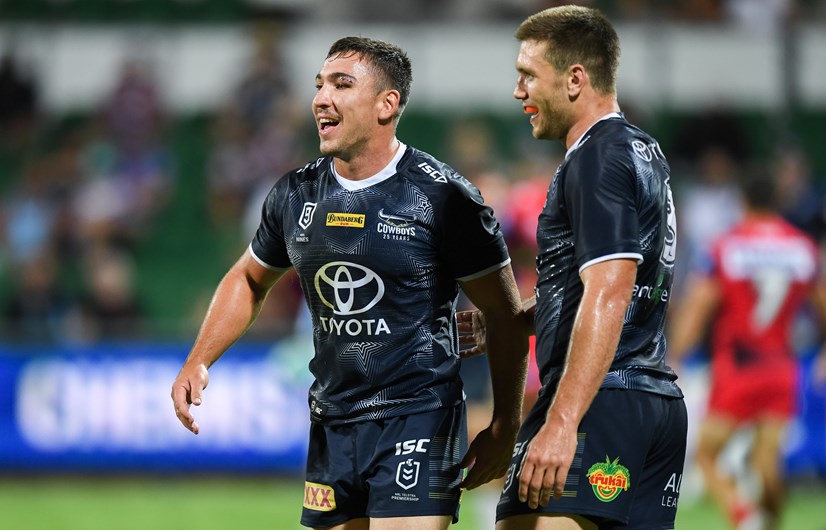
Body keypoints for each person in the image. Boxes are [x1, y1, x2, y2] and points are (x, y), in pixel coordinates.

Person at [170, 36, 530, 530]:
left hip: (418, 416)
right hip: (332, 423)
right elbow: (249, 279)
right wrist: (199, 358)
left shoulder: (444, 198)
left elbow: (505, 315)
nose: (321, 98)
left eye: (341, 85)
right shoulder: (295, 194)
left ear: (387, 104)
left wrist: (506, 425)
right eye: (319, 85)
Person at [457, 6, 686, 529]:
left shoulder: (596, 158)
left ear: (575, 79)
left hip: (599, 404)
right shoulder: (642, 151)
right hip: (648, 399)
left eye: (528, 76)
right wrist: (517, 321)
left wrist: (562, 421)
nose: (518, 91)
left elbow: (611, 288)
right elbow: (602, 282)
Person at [668, 168, 826, 530]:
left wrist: (678, 352)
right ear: (776, 201)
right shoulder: (802, 247)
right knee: (767, 465)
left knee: (707, 455)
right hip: (781, 367)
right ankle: (767, 523)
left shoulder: (726, 246)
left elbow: (699, 305)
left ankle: (743, 515)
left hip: (738, 366)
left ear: (742, 201)